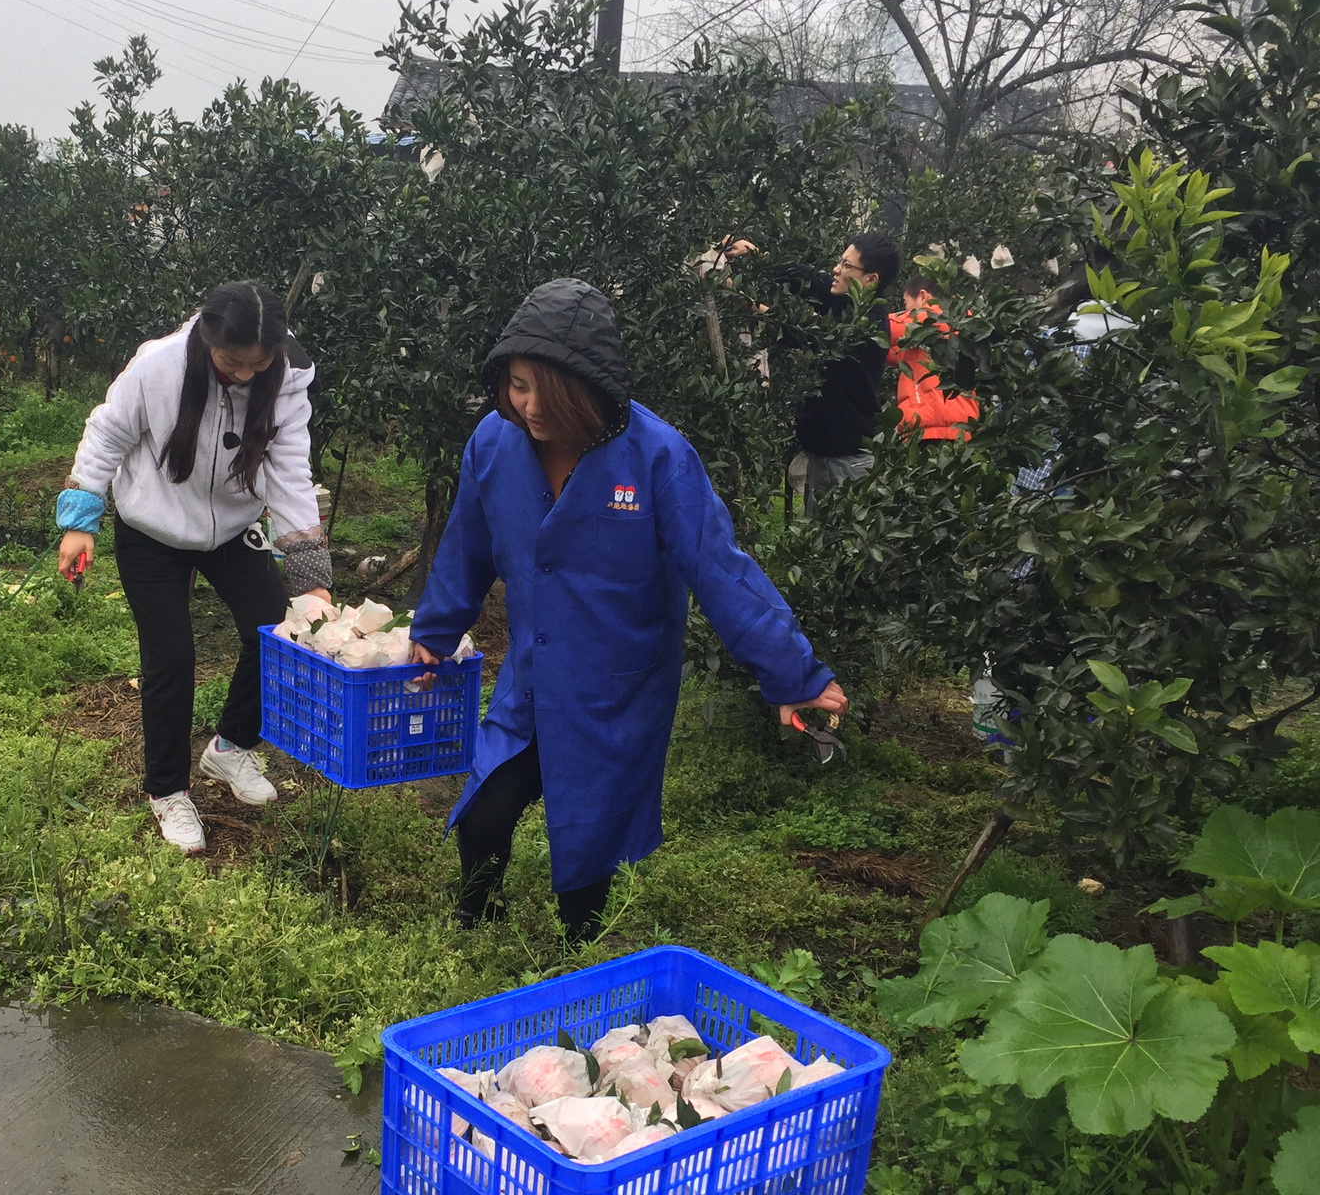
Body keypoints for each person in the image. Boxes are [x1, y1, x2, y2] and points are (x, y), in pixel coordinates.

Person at [407, 278, 848, 939]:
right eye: (516, 384)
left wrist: (796, 676)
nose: (526, 405)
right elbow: (466, 548)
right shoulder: (492, 447)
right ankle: (477, 918)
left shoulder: (656, 457)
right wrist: (434, 634)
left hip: (618, 683)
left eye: (543, 390)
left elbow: (720, 568)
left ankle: (573, 953)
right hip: (532, 672)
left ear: (587, 390)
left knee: (590, 829)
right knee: (484, 808)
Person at [55, 280, 332, 855]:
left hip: (231, 529)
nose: (245, 376)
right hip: (152, 529)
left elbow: (289, 473)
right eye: (232, 362)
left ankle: (229, 749)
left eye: (259, 365)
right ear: (208, 337)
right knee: (172, 657)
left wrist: (314, 580)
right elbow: (106, 433)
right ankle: (167, 791)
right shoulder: (159, 367)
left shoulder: (287, 380)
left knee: (277, 632)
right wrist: (81, 518)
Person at [722, 232, 901, 507]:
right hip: (826, 456)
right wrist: (759, 256)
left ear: (871, 279)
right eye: (840, 261)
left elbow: (810, 337)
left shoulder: (867, 325)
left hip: (848, 464)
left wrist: (752, 306)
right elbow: (810, 282)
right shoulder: (850, 303)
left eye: (847, 266)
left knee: (839, 545)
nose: (837, 270)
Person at [889, 274, 980, 443]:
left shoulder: (943, 319)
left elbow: (889, 326)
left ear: (923, 296)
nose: (905, 309)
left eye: (906, 303)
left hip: (933, 428)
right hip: (952, 430)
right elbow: (892, 350)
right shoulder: (920, 343)